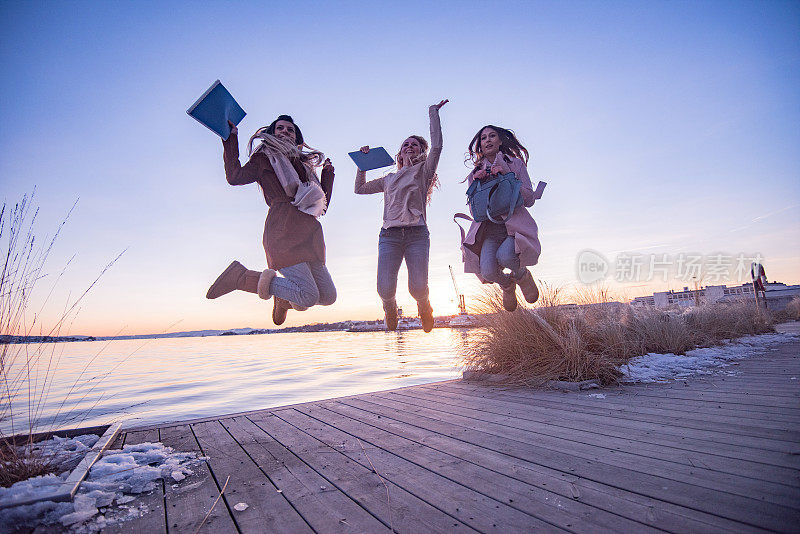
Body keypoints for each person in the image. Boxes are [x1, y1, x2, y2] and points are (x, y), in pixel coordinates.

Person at [206, 115, 336, 325]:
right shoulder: (264, 158)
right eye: (280, 128)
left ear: (297, 139)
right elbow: (234, 176)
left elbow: (321, 205)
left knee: (328, 297)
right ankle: (240, 277)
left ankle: (283, 298)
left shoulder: (305, 168)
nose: (285, 132)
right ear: (272, 133)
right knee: (308, 296)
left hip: (309, 234)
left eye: (290, 130)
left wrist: (327, 176)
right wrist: (231, 140)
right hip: (283, 231)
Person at [355, 100, 448, 332]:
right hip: (389, 236)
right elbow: (359, 188)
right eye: (405, 144)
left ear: (421, 151)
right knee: (385, 289)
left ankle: (424, 305)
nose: (409, 146)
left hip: (417, 234)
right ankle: (389, 307)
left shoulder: (424, 171)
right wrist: (362, 163)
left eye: (414, 145)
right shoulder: (388, 179)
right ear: (399, 151)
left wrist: (433, 112)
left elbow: (436, 147)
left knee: (417, 288)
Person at [460, 125, 541, 311]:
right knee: (487, 271)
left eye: (492, 136)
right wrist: (478, 184)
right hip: (489, 231)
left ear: (500, 140)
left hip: (513, 227)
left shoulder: (515, 164)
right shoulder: (475, 174)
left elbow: (529, 199)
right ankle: (507, 285)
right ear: (480, 145)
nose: (487, 140)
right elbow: (475, 214)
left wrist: (506, 176)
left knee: (505, 256)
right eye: (483, 138)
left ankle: (522, 276)